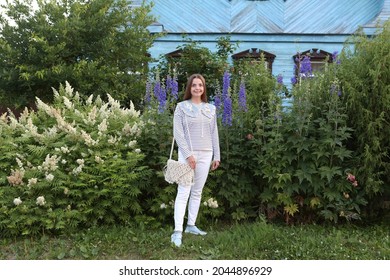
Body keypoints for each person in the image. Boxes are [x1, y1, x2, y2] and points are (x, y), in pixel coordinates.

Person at [170, 73, 221, 247]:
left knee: (197, 191)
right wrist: (188, 155)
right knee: (183, 191)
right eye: (194, 85)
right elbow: (178, 133)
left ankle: (191, 225)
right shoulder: (181, 107)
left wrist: (217, 155)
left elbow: (214, 132)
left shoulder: (211, 109)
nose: (197, 88)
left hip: (207, 154)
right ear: (189, 88)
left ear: (204, 88)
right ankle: (177, 231)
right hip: (187, 155)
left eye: (200, 85)